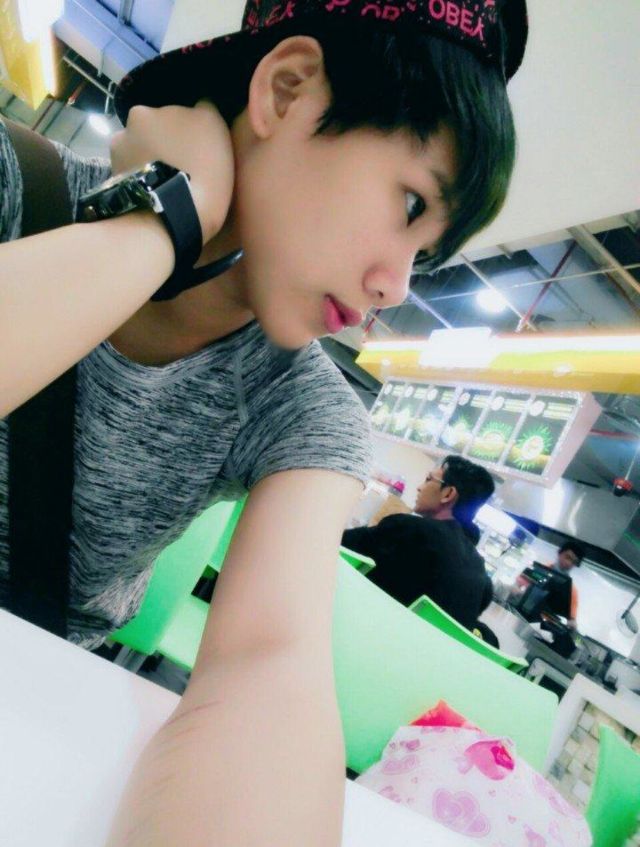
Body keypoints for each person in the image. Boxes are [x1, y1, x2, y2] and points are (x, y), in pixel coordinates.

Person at [0, 1, 528, 844]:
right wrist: (165, 220)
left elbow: (268, 670)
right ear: (287, 90)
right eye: (409, 203)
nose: (398, 285)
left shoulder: (303, 410)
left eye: (426, 254)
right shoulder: (13, 182)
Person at [342, 456, 496, 629]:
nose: (419, 487)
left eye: (428, 479)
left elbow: (337, 544)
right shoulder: (481, 578)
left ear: (448, 494)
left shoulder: (409, 529)